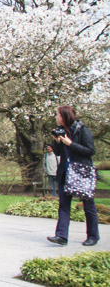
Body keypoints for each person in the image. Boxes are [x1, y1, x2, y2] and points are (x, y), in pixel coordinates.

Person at [46, 105, 99, 247]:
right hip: (66, 173)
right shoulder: (61, 132)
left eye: (57, 115)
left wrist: (70, 144)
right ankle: (61, 236)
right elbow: (58, 153)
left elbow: (90, 151)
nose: (56, 117)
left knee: (88, 205)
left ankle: (93, 236)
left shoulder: (82, 130)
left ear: (64, 116)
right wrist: (57, 143)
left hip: (81, 173)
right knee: (64, 205)